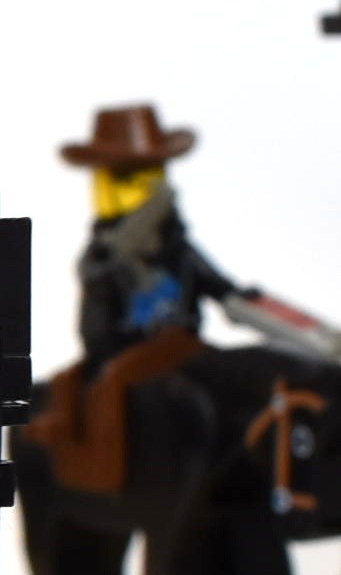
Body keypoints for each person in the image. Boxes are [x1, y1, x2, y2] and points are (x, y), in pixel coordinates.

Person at [61, 103, 242, 377]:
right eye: (127, 179)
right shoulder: (102, 258)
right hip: (124, 358)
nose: (146, 189)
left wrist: (241, 301)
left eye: (151, 176)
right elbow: (96, 329)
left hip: (181, 348)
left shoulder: (178, 250)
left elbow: (220, 288)